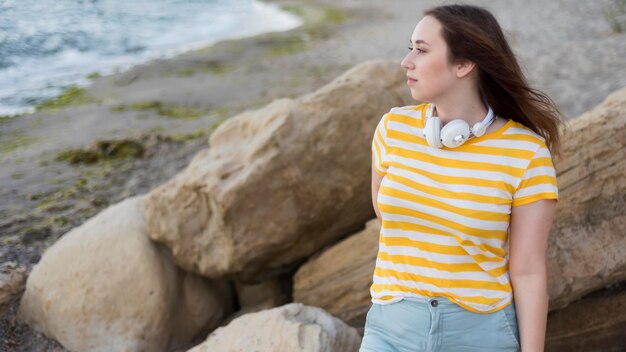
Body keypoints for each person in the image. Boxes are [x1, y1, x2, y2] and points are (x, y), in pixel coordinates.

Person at [361, 4, 562, 352]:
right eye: (410, 47)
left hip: (480, 336)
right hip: (389, 330)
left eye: (421, 50)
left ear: (464, 64)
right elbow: (386, 217)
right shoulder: (392, 129)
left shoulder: (525, 153)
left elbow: (528, 271)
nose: (406, 62)